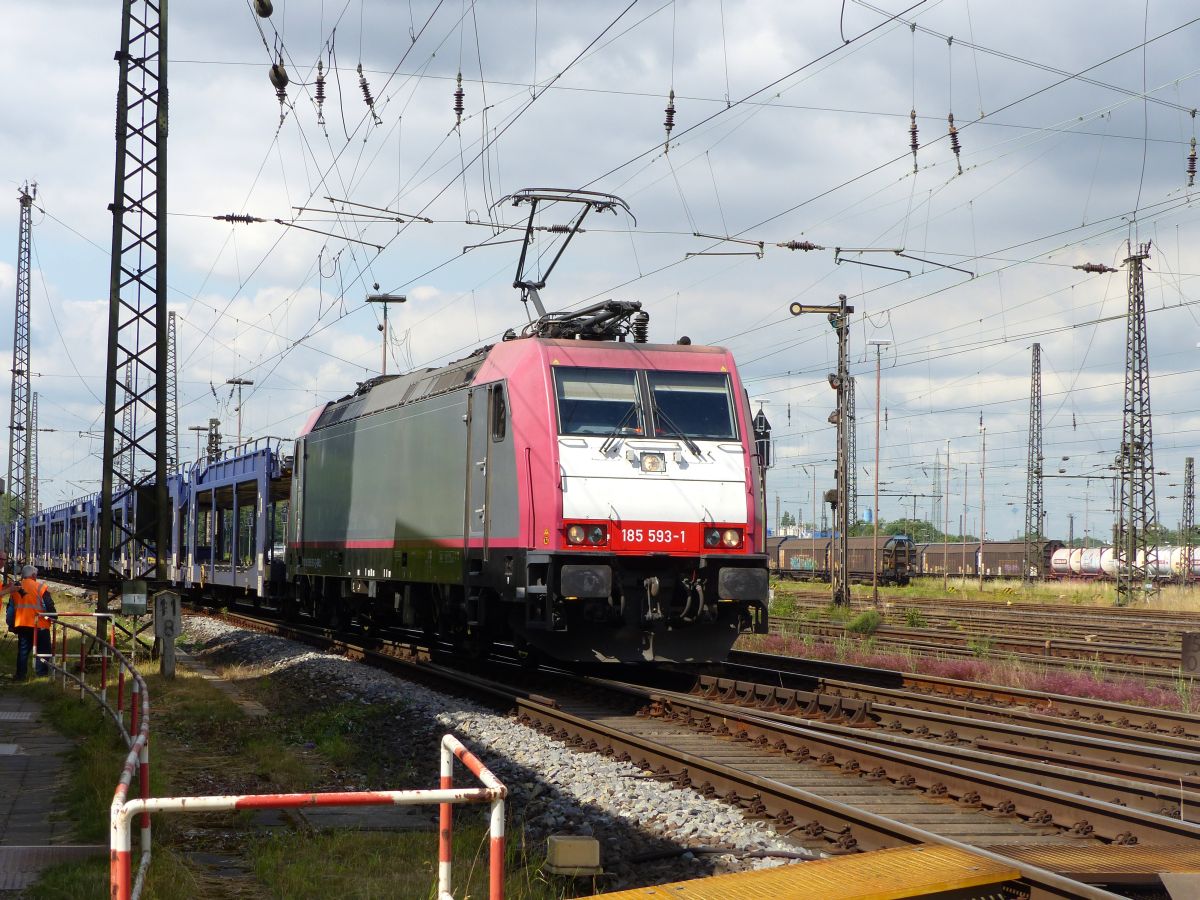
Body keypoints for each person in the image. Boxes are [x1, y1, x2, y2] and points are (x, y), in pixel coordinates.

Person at [3, 565, 53, 681]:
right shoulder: (40, 587)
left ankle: (20, 675)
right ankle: (41, 675)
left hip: (23, 625)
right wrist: (53, 618)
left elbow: (10, 610)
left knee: (23, 651)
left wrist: (11, 625)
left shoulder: (16, 589)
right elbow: (49, 606)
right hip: (40, 625)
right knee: (43, 651)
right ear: (34, 575)